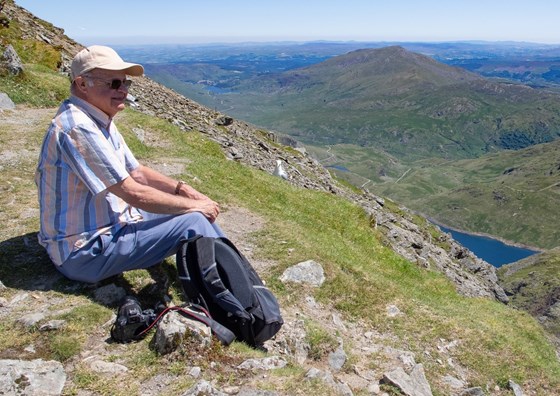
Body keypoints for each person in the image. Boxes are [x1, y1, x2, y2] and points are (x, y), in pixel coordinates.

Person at [35, 45, 225, 283]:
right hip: (85, 251)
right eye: (114, 83)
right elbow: (132, 192)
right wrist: (193, 207)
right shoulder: (78, 127)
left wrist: (185, 191)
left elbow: (136, 172)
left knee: (195, 213)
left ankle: (237, 277)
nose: (123, 90)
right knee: (193, 221)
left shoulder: (98, 118)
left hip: (109, 226)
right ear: (83, 84)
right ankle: (240, 301)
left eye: (126, 83)